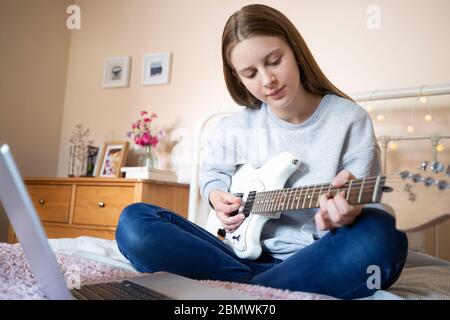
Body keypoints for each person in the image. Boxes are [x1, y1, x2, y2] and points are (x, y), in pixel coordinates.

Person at [115, 4, 408, 299]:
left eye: (274, 61)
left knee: (382, 233)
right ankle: (258, 287)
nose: (267, 80)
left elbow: (360, 204)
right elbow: (213, 173)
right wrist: (217, 196)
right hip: (229, 254)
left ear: (294, 49)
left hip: (314, 257)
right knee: (134, 221)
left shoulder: (349, 120)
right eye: (250, 73)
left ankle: (238, 289)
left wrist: (345, 214)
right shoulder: (234, 126)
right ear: (237, 76)